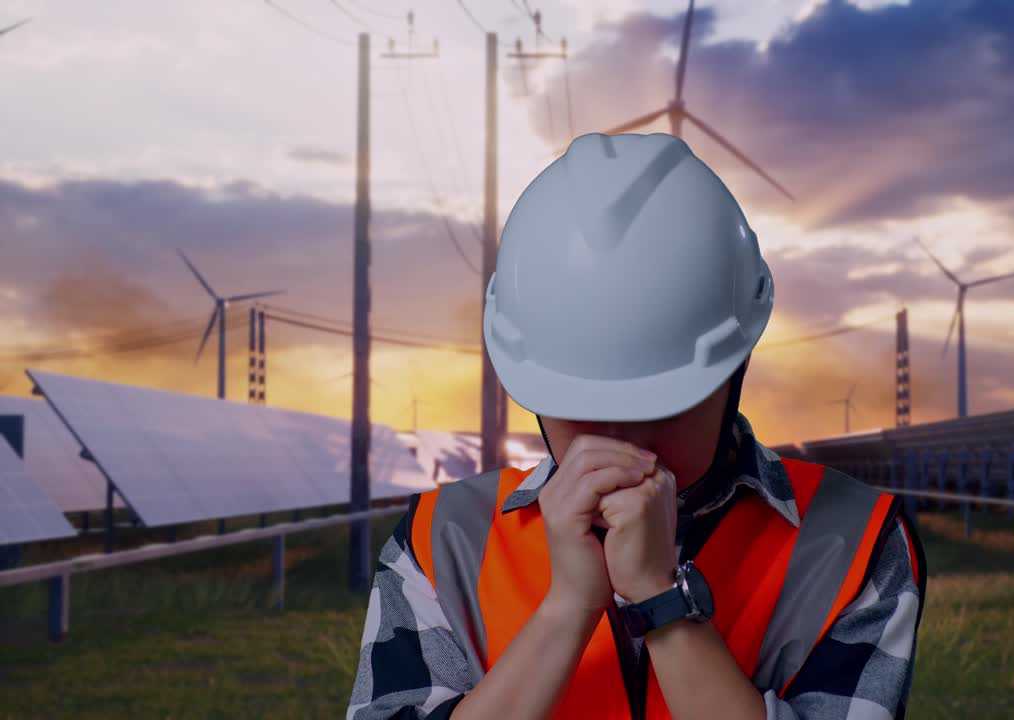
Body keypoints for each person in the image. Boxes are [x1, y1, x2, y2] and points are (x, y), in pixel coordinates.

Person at [348, 132, 927, 720]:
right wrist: (566, 609)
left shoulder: (852, 542)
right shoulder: (444, 540)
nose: (620, 441)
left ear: (736, 367)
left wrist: (661, 603)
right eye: (579, 405)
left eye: (661, 405)